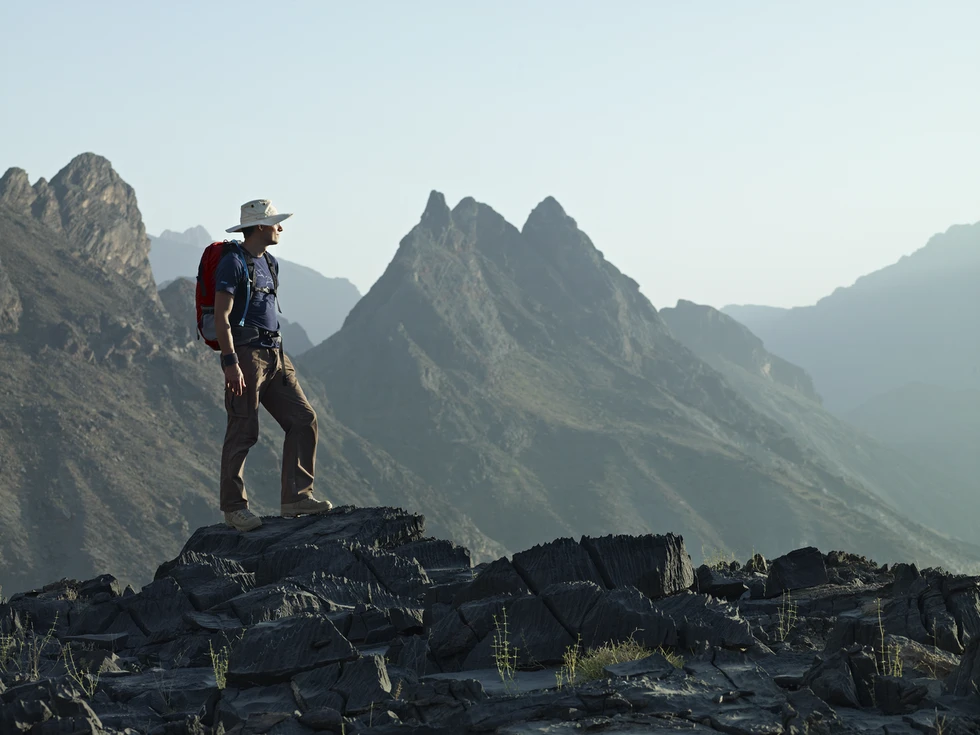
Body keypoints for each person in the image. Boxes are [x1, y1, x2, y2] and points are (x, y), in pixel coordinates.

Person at [213, 199, 331, 531]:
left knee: (303, 419)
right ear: (261, 227)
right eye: (276, 223)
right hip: (247, 356)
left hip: (276, 354)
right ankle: (234, 508)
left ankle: (296, 498)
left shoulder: (271, 263)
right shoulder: (233, 264)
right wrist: (230, 362)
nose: (281, 228)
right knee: (242, 429)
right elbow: (222, 316)